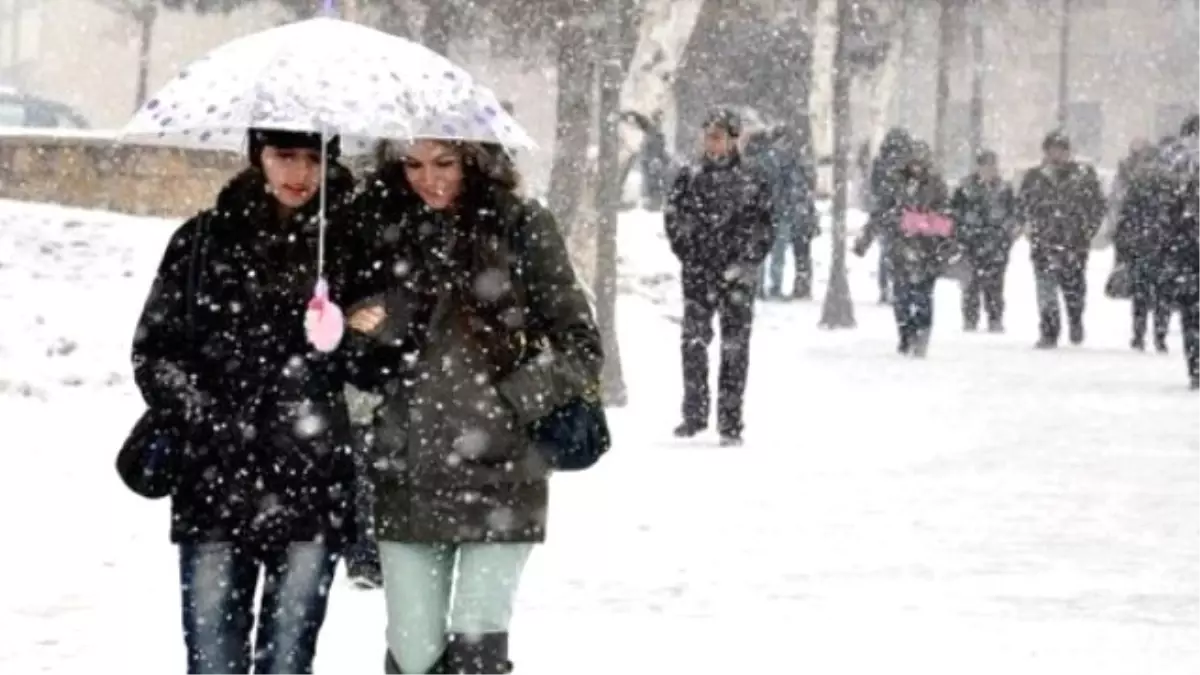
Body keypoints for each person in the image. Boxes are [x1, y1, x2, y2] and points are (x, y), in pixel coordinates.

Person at [347, 138, 603, 675]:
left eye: (444, 163)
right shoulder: (374, 231)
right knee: (413, 653)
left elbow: (580, 346)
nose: (428, 179)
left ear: (475, 161)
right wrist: (358, 334)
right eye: (413, 165)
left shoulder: (521, 226)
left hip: (503, 472)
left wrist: (509, 401)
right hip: (407, 468)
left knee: (476, 645)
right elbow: (357, 364)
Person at [130, 129, 361, 675]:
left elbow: (383, 360)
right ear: (257, 155)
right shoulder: (202, 241)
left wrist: (344, 337)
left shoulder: (350, 247)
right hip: (214, 481)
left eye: (314, 158)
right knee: (213, 659)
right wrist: (207, 418)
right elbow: (154, 353)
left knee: (288, 659)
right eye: (284, 155)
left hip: (312, 479)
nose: (299, 174)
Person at [664, 107, 773, 445]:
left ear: (733, 140)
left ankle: (730, 421)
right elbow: (673, 219)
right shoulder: (689, 177)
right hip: (698, 273)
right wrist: (689, 252)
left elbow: (764, 226)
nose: (712, 143)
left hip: (737, 277)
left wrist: (745, 262)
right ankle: (694, 414)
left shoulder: (753, 179)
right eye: (707, 135)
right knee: (694, 343)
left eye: (718, 136)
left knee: (735, 348)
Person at [854, 140, 951, 357]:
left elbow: (946, 217)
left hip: (928, 249)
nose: (916, 166)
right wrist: (866, 238)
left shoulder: (936, 185)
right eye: (912, 161)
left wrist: (926, 225)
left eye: (920, 162)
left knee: (924, 296)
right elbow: (880, 212)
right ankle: (906, 335)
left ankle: (922, 334)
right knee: (902, 297)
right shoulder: (894, 184)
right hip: (899, 246)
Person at [1015, 131, 1106, 348]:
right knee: (1045, 289)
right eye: (1052, 149)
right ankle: (1049, 329)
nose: (1057, 154)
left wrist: (1086, 229)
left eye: (1061, 150)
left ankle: (1075, 319)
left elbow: (1098, 205)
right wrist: (1027, 225)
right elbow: (1021, 205)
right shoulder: (1034, 177)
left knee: (1074, 288)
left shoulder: (1083, 175)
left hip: (1074, 242)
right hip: (1043, 241)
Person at [1115, 140, 1173, 352]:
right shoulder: (1170, 187)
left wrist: (1123, 247)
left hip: (1146, 246)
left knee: (1144, 295)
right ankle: (1157, 334)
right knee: (1159, 295)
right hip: (1158, 247)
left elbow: (1126, 218)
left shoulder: (1139, 186)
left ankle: (1141, 334)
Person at [950, 149, 1016, 332]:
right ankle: (970, 318)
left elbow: (1013, 214)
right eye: (985, 165)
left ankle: (995, 318)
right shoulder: (965, 188)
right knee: (970, 284)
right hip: (971, 243)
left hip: (996, 244)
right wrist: (960, 234)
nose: (989, 170)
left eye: (992, 166)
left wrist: (1006, 234)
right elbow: (954, 213)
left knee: (995, 285)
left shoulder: (1004, 189)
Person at [868, 127, 915, 304]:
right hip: (905, 213)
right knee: (903, 253)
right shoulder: (908, 162)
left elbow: (874, 187)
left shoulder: (881, 162)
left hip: (886, 212)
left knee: (886, 252)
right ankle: (899, 286)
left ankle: (885, 287)